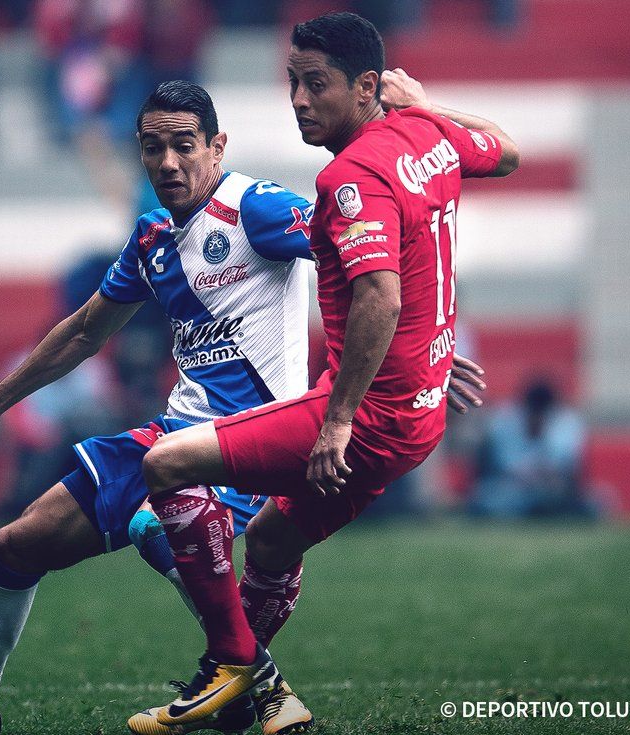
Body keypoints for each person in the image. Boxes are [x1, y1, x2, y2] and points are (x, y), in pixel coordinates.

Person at [0, 80, 489, 735]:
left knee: (154, 525)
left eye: (184, 146)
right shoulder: (152, 238)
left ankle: (251, 677)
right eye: (152, 148)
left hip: (251, 445)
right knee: (15, 545)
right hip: (174, 432)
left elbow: (367, 259)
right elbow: (84, 332)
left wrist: (417, 352)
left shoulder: (257, 209)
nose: (168, 163)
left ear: (217, 147)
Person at [132, 13, 519, 727]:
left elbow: (380, 295)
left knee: (165, 465)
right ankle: (246, 696)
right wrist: (425, 106)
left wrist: (337, 422)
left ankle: (234, 665)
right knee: (271, 541)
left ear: (367, 86)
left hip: (364, 417)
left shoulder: (350, 176)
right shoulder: (428, 137)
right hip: (418, 416)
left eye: (316, 84)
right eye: (293, 82)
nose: (300, 100)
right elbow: (507, 151)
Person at [469, 378, 595, 519]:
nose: (537, 417)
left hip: (553, 489)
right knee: (488, 498)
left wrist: (546, 476)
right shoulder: (505, 421)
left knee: (596, 500)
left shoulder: (567, 422)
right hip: (512, 488)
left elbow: (566, 467)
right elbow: (504, 465)